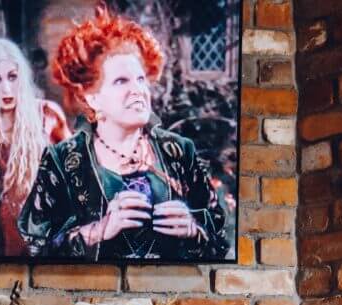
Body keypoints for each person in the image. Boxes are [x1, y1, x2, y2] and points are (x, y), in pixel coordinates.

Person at [17, 4, 230, 262]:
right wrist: (97, 231)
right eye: (121, 81)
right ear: (92, 97)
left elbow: (220, 242)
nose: (138, 90)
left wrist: (193, 231)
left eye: (141, 80)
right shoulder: (61, 161)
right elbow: (35, 248)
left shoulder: (179, 152)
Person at [0, 37, 69, 256]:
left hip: (41, 236)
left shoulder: (47, 116)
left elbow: (77, 170)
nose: (6, 89)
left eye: (12, 77)